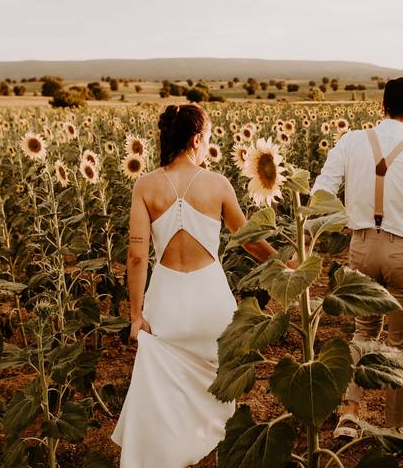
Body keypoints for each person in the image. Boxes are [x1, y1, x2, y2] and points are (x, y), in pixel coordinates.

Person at [111, 103, 279, 467]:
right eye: (208, 138)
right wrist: (283, 264)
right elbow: (249, 239)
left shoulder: (146, 185)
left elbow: (137, 257)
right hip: (211, 300)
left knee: (165, 399)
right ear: (197, 139)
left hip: (165, 300)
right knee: (218, 388)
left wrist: (136, 315)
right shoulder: (216, 184)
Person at [310, 77, 403, 439]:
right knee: (402, 344)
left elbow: (321, 191)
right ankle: (395, 427)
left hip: (362, 246)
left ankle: (349, 415)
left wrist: (345, 223)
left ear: (381, 106)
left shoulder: (352, 142)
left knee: (363, 330)